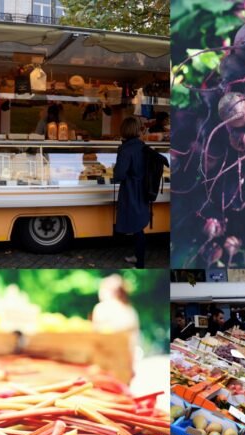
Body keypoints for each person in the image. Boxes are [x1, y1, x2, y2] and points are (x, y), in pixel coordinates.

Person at [113, 117, 149, 268]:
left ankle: (140, 264)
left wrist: (116, 169)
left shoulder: (126, 149)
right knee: (138, 225)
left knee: (137, 228)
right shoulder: (142, 146)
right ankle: (137, 256)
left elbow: (119, 175)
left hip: (131, 191)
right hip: (143, 189)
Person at [91, 274, 141, 358]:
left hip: (106, 355)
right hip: (128, 355)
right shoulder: (130, 309)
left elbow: (96, 332)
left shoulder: (101, 308)